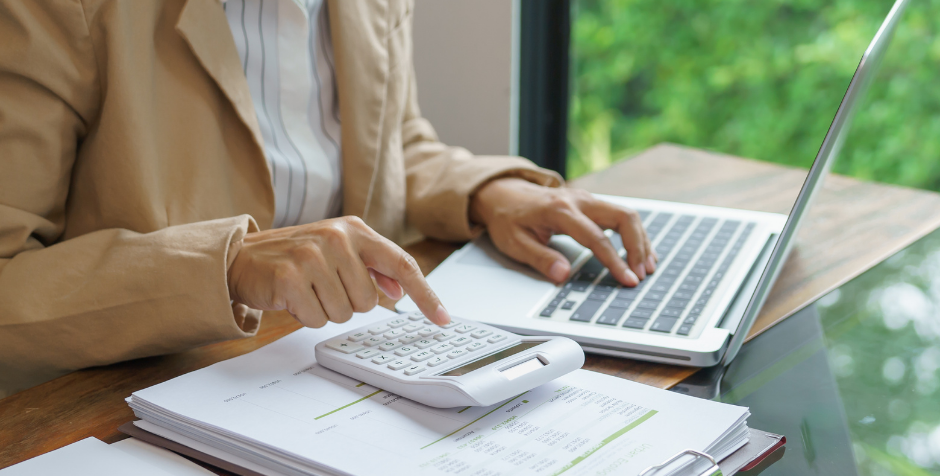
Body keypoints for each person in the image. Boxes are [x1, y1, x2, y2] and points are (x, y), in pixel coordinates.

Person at [0, 0, 655, 397]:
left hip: (333, 371)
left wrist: (487, 192)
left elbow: (394, 144)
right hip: (136, 397)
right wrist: (226, 267)